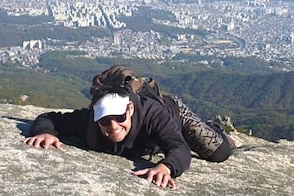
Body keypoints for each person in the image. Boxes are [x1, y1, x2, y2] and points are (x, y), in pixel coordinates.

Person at [24, 66, 234, 189]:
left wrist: (166, 167)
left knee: (219, 153)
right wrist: (45, 132)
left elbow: (178, 147)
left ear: (130, 109)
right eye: (105, 121)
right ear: (96, 118)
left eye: (119, 117)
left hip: (175, 115)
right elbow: (50, 118)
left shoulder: (153, 116)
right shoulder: (90, 122)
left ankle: (214, 126)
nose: (113, 126)